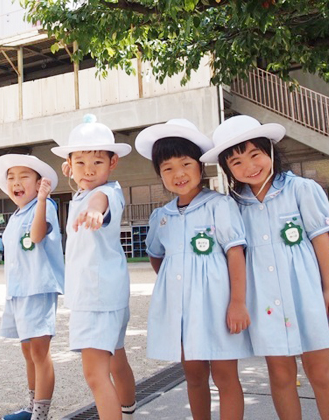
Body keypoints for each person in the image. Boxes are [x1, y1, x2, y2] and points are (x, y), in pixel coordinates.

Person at [201, 115, 329, 420]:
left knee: (320, 372)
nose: (249, 167)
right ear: (227, 169)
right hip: (264, 302)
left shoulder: (301, 190)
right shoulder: (231, 205)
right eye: (237, 162)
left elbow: (321, 243)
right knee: (281, 377)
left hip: (305, 295)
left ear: (270, 151)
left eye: (255, 154)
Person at [135, 119, 253, 419]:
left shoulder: (219, 206)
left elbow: (236, 253)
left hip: (218, 308)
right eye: (168, 168)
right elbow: (156, 255)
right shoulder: (162, 216)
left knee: (226, 377)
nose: (179, 174)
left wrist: (238, 303)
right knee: (194, 377)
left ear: (200, 167)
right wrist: (174, 288)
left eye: (186, 164)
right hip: (183, 315)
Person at [51, 114, 136, 420]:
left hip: (95, 296)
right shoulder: (82, 190)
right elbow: (86, 188)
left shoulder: (106, 193)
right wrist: (76, 175)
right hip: (108, 293)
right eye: (80, 163)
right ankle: (127, 409)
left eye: (97, 163)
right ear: (69, 166)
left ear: (113, 163)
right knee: (116, 358)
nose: (89, 170)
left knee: (94, 374)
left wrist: (96, 214)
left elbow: (98, 201)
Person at [0, 154, 65, 420]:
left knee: (39, 351)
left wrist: (44, 200)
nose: (15, 182)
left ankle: (41, 415)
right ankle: (31, 406)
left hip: (38, 288)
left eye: (24, 176)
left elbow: (35, 237)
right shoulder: (16, 214)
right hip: (17, 291)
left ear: (39, 184)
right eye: (11, 177)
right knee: (27, 351)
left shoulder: (45, 206)